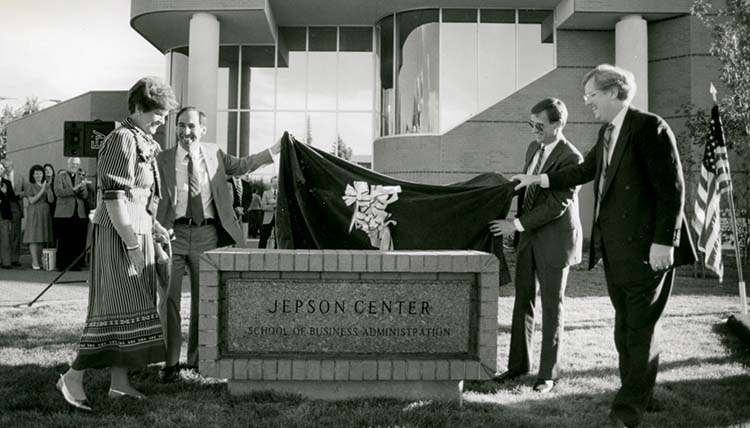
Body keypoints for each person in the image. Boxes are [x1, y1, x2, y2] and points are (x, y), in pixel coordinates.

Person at [512, 64, 696, 428]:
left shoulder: (649, 127)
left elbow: (671, 189)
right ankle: (640, 394)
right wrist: (541, 177)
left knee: (640, 328)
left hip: (648, 252)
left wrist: (665, 242)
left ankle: (625, 414)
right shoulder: (608, 132)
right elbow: (584, 171)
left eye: (591, 96)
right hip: (616, 252)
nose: (588, 103)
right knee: (626, 327)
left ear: (614, 91)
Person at [56, 76, 177, 411]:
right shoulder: (121, 139)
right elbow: (113, 196)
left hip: (137, 233)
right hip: (120, 238)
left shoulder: (142, 140)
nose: (162, 122)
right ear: (138, 108)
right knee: (113, 309)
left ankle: (120, 385)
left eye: (165, 116)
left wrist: (155, 230)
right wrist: (132, 244)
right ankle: (72, 377)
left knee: (133, 309)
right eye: (158, 114)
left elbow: (141, 197)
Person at [155, 106, 280, 382]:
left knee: (204, 298)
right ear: (176, 129)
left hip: (206, 236)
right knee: (169, 299)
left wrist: (274, 149)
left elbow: (245, 164)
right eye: (181, 126)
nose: (186, 132)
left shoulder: (215, 155)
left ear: (203, 130)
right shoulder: (162, 158)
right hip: (171, 235)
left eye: (191, 126)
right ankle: (170, 362)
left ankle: (198, 359)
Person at [489, 98, 582, 393]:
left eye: (539, 125)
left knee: (552, 307)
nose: (534, 131)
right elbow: (526, 189)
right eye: (531, 124)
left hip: (555, 242)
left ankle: (547, 375)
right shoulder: (533, 149)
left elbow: (556, 204)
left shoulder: (573, 158)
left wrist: (514, 225)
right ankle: (518, 365)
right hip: (528, 239)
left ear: (558, 124)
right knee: (523, 302)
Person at [53, 157, 88, 271]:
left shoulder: (81, 177)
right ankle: (62, 264)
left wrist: (83, 189)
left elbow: (85, 196)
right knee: (64, 240)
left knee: (77, 240)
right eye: (73, 164)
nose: (75, 166)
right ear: (68, 164)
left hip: (78, 213)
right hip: (64, 213)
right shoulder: (59, 177)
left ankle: (75, 265)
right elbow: (58, 192)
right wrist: (74, 188)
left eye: (77, 164)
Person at [22, 164, 54, 270]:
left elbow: (51, 200)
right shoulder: (29, 185)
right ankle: (34, 261)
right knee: (34, 237)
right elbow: (31, 200)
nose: (38, 175)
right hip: (34, 211)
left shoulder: (46, 184)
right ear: (32, 175)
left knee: (41, 237)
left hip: (44, 212)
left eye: (40, 173)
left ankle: (39, 261)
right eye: (36, 173)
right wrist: (42, 190)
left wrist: (48, 188)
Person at [0, 159, 23, 267]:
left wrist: (9, 194)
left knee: (11, 234)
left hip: (10, 208)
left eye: (4, 168)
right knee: (4, 235)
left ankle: (11, 260)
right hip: (3, 208)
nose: (3, 169)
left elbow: (21, 193)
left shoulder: (13, 180)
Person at [0, 163, 16, 269]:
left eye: (2, 168)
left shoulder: (7, 183)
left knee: (5, 238)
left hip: (4, 213)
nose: (2, 170)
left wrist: (6, 192)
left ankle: (6, 262)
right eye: (0, 168)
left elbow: (12, 198)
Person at [258, 175, 278, 248]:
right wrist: (274, 206)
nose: (275, 183)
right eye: (274, 182)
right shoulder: (266, 193)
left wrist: (272, 203)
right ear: (271, 183)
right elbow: (263, 207)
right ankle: (260, 252)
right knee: (264, 237)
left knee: (278, 237)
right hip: (268, 219)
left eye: (277, 182)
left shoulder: (281, 193)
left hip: (278, 219)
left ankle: (277, 253)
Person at [43, 163, 57, 247]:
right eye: (46, 170)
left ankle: (52, 250)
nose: (48, 171)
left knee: (53, 230)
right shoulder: (42, 181)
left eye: (49, 169)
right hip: (44, 208)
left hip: (54, 208)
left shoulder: (56, 181)